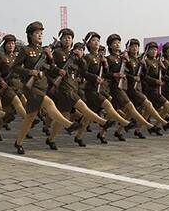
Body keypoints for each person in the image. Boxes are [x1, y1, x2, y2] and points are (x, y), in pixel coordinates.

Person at [10, 21, 82, 155]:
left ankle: (19, 142)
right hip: (31, 87)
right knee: (49, 103)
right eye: (37, 33)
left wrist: (49, 58)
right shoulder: (25, 50)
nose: (40, 35)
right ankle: (68, 125)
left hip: (42, 84)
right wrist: (29, 72)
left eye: (41, 33)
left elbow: (50, 69)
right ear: (30, 35)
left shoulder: (43, 50)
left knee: (30, 116)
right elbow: (15, 67)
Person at [81, 31, 131, 144]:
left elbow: (105, 73)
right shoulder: (87, 57)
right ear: (88, 44)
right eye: (93, 41)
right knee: (108, 105)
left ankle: (79, 136)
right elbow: (83, 73)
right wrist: (95, 78)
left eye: (98, 40)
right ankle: (125, 123)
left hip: (100, 89)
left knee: (88, 116)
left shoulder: (101, 58)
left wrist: (105, 64)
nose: (96, 43)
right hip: (91, 89)